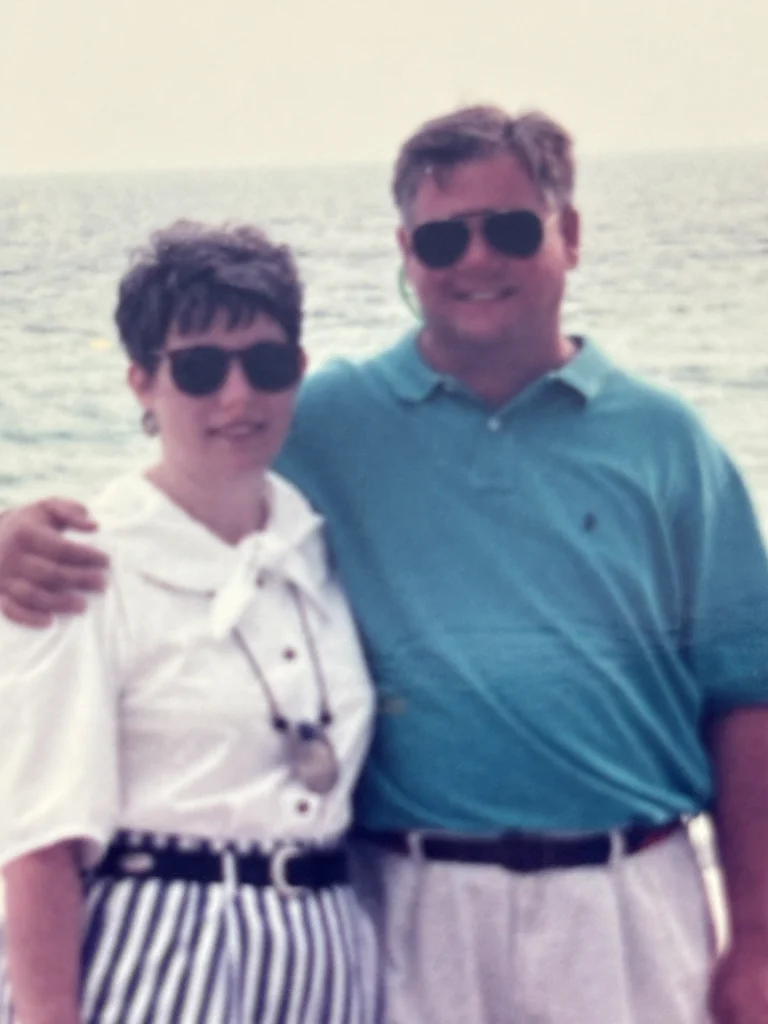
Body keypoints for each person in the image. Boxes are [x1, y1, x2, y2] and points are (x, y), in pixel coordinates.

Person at [2, 105, 768, 1024]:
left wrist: (757, 934)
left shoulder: (668, 443)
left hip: (629, 901)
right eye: (444, 238)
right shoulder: (320, 419)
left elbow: (744, 692)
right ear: (407, 252)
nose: (476, 261)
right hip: (407, 904)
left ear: (569, 234)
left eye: (512, 228)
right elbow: (175, 485)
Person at [0, 221, 379, 1024]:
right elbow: (40, 841)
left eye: (266, 364)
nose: (236, 396)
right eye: (199, 368)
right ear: (142, 382)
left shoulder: (319, 550)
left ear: (299, 371)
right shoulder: (80, 564)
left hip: (326, 956)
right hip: (157, 954)